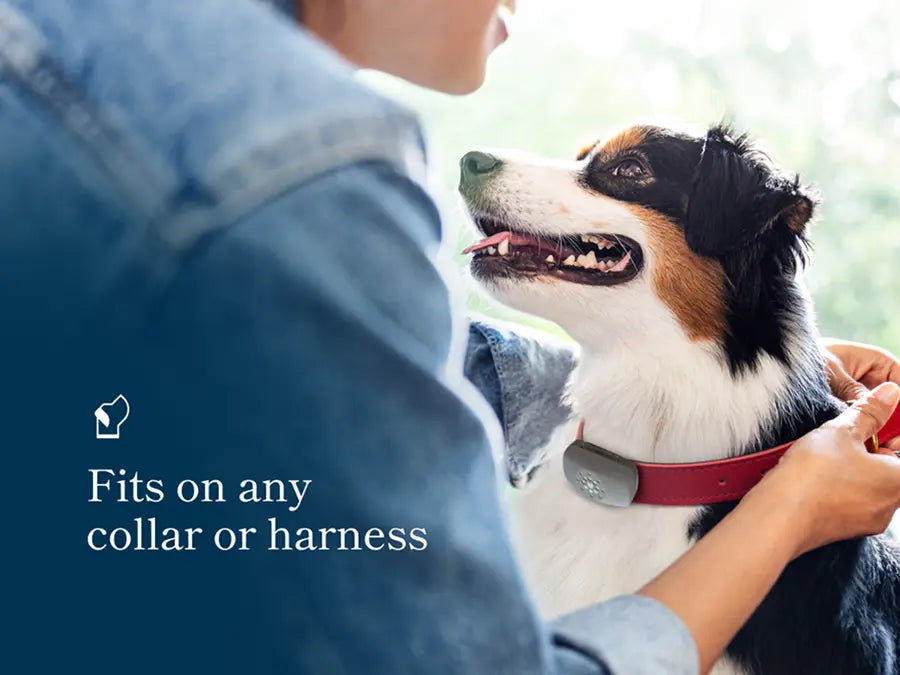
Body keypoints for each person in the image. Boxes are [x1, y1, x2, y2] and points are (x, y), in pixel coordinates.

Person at [1, 1, 898, 674]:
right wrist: (788, 512)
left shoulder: (79, 52)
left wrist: (723, 387)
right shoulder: (292, 159)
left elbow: (354, 363)